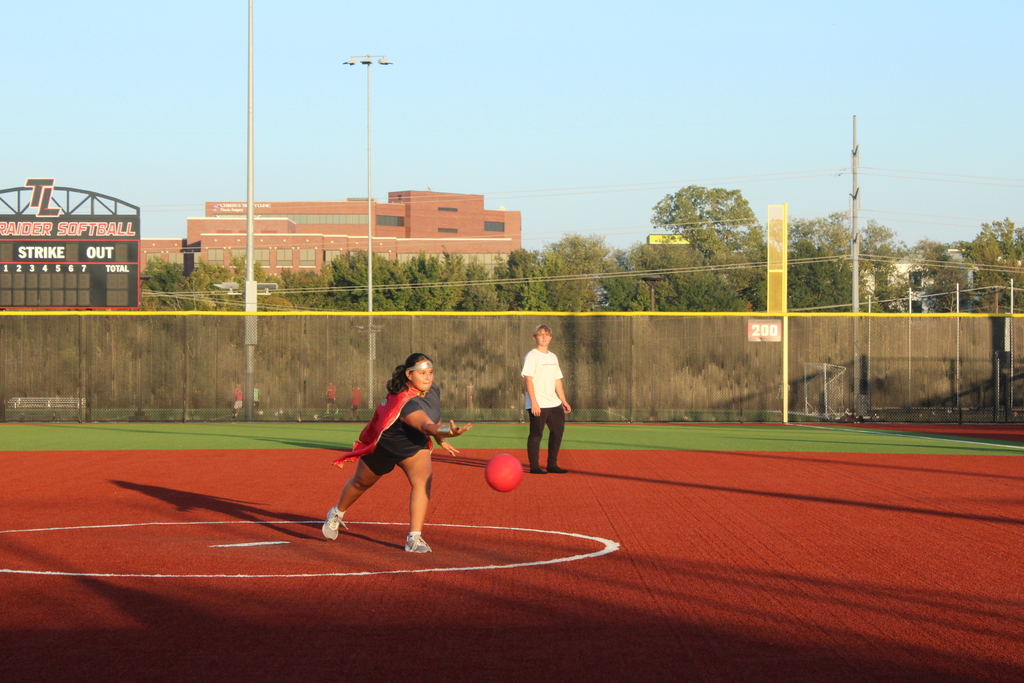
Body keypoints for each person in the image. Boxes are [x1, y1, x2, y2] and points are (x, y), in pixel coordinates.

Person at [323, 353, 472, 553]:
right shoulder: (405, 403)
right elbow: (426, 425)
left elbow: (433, 415)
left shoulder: (432, 389)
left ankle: (414, 538)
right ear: (409, 375)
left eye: (430, 372)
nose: (428, 377)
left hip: (413, 447)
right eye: (422, 373)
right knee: (360, 483)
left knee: (423, 482)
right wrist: (446, 432)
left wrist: (441, 438)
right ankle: (337, 513)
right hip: (384, 448)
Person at [521, 324, 571, 474]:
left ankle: (552, 464)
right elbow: (528, 380)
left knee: (557, 432)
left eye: (547, 335)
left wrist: (564, 400)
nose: (544, 337)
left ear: (551, 338)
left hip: (554, 402)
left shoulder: (553, 356)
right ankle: (535, 466)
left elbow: (557, 380)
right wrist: (534, 403)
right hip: (538, 403)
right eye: (540, 334)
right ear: (534, 337)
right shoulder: (531, 356)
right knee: (537, 434)